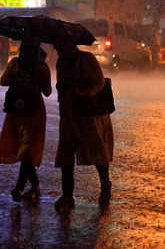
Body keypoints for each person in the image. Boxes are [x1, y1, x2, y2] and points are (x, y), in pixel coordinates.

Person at [53, 39, 114, 211]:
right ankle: (67, 196)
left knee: (97, 151)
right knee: (66, 154)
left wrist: (84, 92)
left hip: (87, 113)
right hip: (68, 114)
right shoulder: (61, 61)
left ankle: (105, 186)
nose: (58, 50)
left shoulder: (87, 59)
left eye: (59, 46)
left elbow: (99, 83)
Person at [0, 35, 52, 202]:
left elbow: (3, 81)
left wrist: (17, 78)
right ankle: (32, 186)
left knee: (24, 150)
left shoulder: (15, 63)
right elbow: (48, 91)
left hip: (15, 110)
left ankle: (22, 187)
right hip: (33, 111)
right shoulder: (41, 67)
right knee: (26, 150)